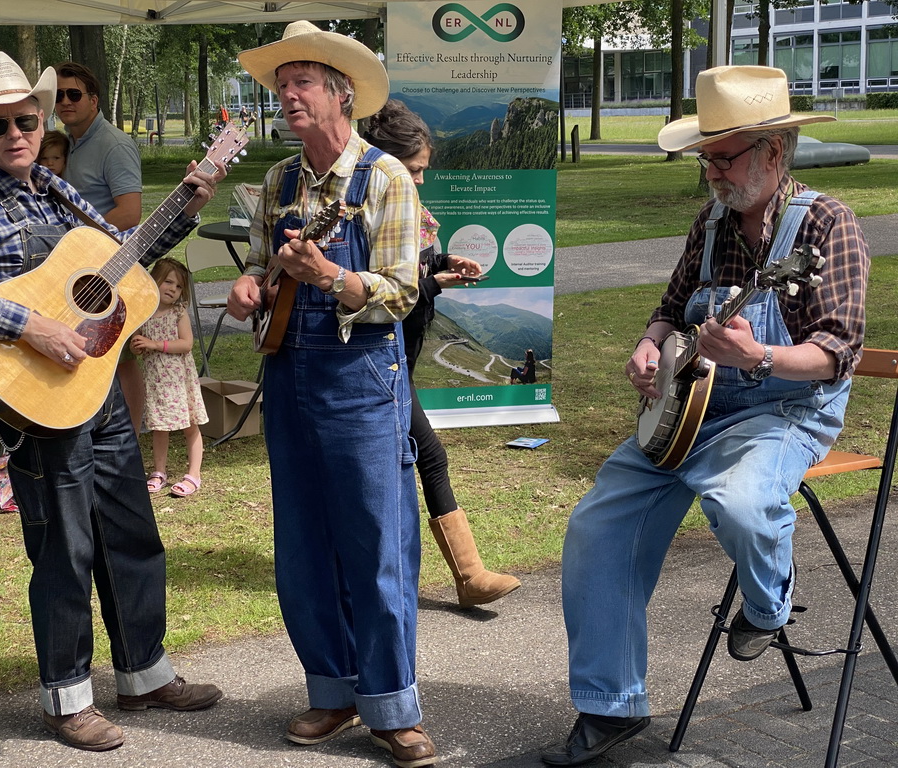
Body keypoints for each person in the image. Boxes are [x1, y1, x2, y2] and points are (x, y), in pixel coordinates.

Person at [544, 65, 869, 767]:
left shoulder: (827, 224)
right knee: (596, 527)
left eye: (726, 157)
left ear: (774, 153)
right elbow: (671, 307)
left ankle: (768, 607)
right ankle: (610, 707)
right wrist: (646, 347)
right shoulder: (713, 220)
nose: (713, 172)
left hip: (783, 410)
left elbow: (838, 353)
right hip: (687, 410)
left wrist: (759, 357)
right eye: (707, 157)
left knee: (741, 500)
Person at [0, 52, 227, 753]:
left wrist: (187, 206)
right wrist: (33, 325)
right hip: (37, 398)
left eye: (26, 119)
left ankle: (144, 673)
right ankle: (67, 698)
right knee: (64, 548)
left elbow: (121, 260)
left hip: (97, 385)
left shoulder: (54, 188)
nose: (15, 134)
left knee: (131, 534)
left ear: (43, 117)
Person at [227, 21, 437, 768]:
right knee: (303, 542)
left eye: (302, 82)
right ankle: (332, 690)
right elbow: (258, 262)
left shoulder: (383, 178)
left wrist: (333, 278)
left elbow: (403, 291)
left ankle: (392, 705)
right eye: (281, 85)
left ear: (340, 93)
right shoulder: (280, 181)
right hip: (291, 375)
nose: (287, 95)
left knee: (378, 543)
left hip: (361, 377)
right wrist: (252, 285)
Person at [364, 99, 522, 608]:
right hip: (380, 362)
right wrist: (435, 284)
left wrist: (446, 261)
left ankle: (449, 576)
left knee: (409, 459)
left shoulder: (413, 214)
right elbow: (389, 298)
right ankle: (467, 576)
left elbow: (419, 268)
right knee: (427, 454)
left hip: (399, 363)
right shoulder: (374, 216)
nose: (421, 181)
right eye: (414, 171)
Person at [54, 60, 147, 432]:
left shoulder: (114, 145)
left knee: (120, 357)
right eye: (58, 96)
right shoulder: (65, 144)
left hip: (110, 269)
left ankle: (131, 438)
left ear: (94, 100)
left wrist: (78, 234)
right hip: (75, 270)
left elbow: (130, 212)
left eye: (74, 94)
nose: (65, 101)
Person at [131, 258, 208, 498]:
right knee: (158, 426)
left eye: (179, 287)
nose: (173, 289)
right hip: (155, 379)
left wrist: (154, 344)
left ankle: (193, 474)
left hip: (178, 379)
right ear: (153, 281)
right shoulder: (144, 312)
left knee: (190, 424)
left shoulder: (178, 313)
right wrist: (138, 346)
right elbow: (136, 341)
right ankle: (159, 471)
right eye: (168, 282)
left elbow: (186, 343)